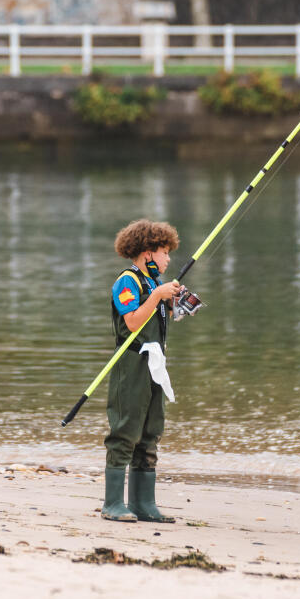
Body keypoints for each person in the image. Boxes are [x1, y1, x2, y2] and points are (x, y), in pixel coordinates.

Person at [101, 218, 188, 524]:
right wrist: (157, 296)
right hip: (131, 364)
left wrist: (175, 301)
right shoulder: (128, 282)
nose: (168, 259)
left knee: (151, 430)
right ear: (148, 252)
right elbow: (134, 322)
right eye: (165, 252)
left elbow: (159, 318)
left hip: (155, 365)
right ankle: (113, 503)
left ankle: (144, 503)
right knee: (125, 429)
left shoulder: (154, 284)